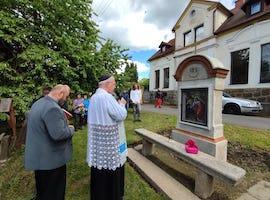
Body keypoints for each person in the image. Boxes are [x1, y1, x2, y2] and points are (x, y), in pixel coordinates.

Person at [24, 84, 75, 200]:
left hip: (39, 158)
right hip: (51, 161)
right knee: (54, 193)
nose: (65, 100)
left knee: (43, 191)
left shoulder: (38, 103)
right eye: (66, 96)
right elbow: (58, 134)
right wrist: (71, 129)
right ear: (60, 93)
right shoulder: (53, 108)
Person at [87, 74, 127, 200]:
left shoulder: (93, 97)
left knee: (100, 168)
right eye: (114, 83)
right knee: (110, 168)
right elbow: (120, 115)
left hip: (98, 141)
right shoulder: (107, 97)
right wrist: (121, 104)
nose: (114, 86)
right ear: (107, 84)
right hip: (110, 144)